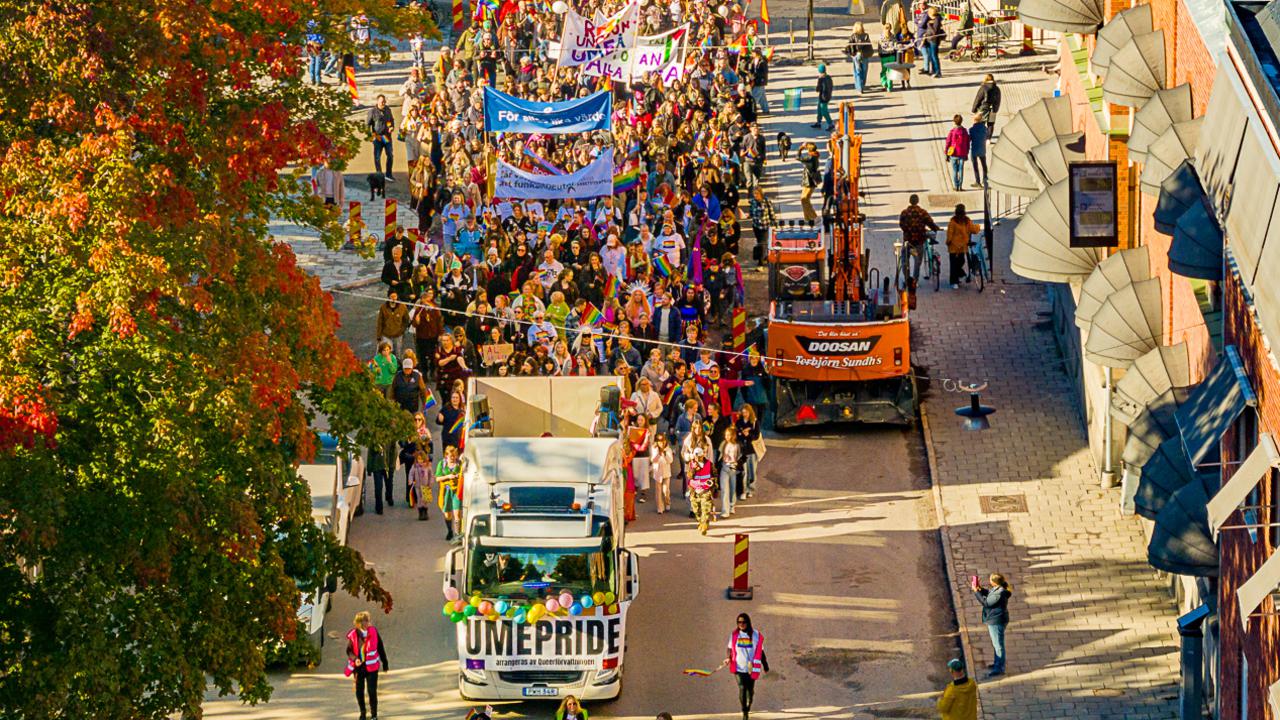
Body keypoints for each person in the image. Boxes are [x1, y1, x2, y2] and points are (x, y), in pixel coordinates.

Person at [720, 612, 768, 720]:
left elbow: (761, 652)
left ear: (748, 622)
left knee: (750, 691)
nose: (741, 624)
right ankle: (744, 711)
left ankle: (749, 703)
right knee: (742, 688)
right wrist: (728, 658)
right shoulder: (734, 635)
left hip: (751, 668)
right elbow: (730, 648)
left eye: (743, 622)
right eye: (739, 622)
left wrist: (765, 666)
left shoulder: (756, 635)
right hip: (738, 667)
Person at [344, 611, 388, 720]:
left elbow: (380, 647)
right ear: (359, 623)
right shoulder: (353, 634)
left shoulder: (373, 631)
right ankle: (362, 713)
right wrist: (355, 659)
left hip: (372, 668)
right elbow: (349, 651)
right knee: (359, 691)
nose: (368, 622)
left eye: (368, 620)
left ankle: (374, 715)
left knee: (372, 691)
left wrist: (385, 662)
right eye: (365, 620)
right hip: (359, 669)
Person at [971, 573, 1012, 677]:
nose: (989, 581)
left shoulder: (999, 593)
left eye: (990, 580)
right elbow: (989, 593)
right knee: (996, 643)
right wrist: (980, 589)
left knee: (998, 645)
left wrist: (976, 592)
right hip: (997, 619)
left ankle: (999, 668)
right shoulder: (999, 588)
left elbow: (986, 603)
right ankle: (997, 663)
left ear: (994, 582)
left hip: (996, 621)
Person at [899, 194, 940, 285]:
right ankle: (914, 280)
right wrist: (936, 228)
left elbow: (901, 225)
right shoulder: (922, 212)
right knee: (917, 262)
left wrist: (908, 230)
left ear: (910, 201)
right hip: (918, 242)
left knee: (905, 261)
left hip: (908, 242)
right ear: (917, 201)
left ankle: (907, 279)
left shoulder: (904, 213)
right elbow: (930, 223)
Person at [945, 204, 981, 289]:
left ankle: (955, 280)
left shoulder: (952, 222)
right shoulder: (966, 221)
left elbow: (949, 234)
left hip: (954, 247)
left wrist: (948, 242)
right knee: (960, 262)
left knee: (954, 264)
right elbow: (974, 229)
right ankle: (956, 279)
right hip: (961, 247)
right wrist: (978, 226)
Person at [436, 444, 465, 543]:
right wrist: (448, 476)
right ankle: (450, 531)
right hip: (446, 492)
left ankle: (457, 535)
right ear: (446, 456)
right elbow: (437, 478)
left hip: (457, 491)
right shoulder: (442, 464)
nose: (452, 458)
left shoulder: (459, 464)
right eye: (450, 456)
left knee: (457, 513)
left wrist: (459, 476)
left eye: (454, 455)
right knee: (448, 514)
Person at [367, 94, 395, 181]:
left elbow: (390, 120)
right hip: (378, 137)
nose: (383, 103)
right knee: (377, 157)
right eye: (381, 101)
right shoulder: (372, 111)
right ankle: (379, 174)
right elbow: (367, 124)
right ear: (377, 101)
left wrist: (391, 127)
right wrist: (371, 136)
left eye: (384, 101)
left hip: (386, 137)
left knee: (390, 155)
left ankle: (388, 174)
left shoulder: (387, 110)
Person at [688, 446, 715, 534]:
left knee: (706, 509)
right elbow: (689, 477)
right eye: (696, 457)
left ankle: (704, 526)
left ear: (703, 455)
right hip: (695, 491)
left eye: (699, 456)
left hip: (706, 490)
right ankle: (701, 522)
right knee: (696, 510)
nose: (697, 458)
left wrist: (713, 482)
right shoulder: (692, 464)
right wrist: (693, 469)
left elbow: (715, 475)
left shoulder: (709, 464)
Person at [845, 22, 874, 94]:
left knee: (857, 71)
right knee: (864, 71)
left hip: (856, 55)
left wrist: (852, 54)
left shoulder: (852, 36)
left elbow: (850, 46)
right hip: (864, 55)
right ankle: (862, 84)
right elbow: (869, 46)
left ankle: (859, 87)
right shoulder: (866, 36)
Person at [719, 426, 741, 518]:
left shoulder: (737, 446)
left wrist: (737, 464)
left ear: (733, 436)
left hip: (733, 467)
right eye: (726, 435)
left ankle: (732, 505)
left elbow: (740, 457)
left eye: (728, 435)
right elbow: (719, 454)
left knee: (732, 488)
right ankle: (725, 510)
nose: (726, 437)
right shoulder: (723, 444)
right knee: (724, 489)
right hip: (724, 467)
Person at [944, 115, 970, 191]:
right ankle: (960, 186)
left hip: (954, 153)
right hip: (962, 153)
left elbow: (948, 142)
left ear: (954, 122)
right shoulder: (964, 131)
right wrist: (967, 152)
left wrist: (946, 153)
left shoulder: (952, 132)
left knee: (955, 170)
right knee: (961, 170)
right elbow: (967, 142)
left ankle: (956, 186)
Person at [650, 431, 675, 514]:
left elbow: (670, 460)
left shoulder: (668, 449)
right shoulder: (654, 449)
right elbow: (653, 459)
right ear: (656, 442)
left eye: (663, 440)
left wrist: (664, 454)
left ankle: (667, 502)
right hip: (657, 473)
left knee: (666, 490)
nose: (661, 443)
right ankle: (660, 507)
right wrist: (658, 454)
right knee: (658, 491)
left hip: (666, 473)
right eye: (659, 441)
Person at [798, 143, 821, 223]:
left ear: (808, 149)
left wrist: (800, 149)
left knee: (804, 199)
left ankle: (814, 217)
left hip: (809, 181)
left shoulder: (810, 157)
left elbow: (798, 157)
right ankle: (807, 218)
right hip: (809, 181)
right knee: (803, 199)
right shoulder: (815, 156)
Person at [922, 6, 944, 78]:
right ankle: (933, 71)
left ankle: (938, 72)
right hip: (929, 39)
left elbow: (934, 31)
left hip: (934, 40)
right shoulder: (932, 19)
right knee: (931, 56)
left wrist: (929, 25)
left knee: (934, 56)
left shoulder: (937, 20)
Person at [968, 113, 989, 188]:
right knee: (984, 165)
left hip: (974, 149)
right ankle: (985, 179)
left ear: (974, 120)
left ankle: (978, 181)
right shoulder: (984, 128)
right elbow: (987, 136)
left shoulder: (971, 130)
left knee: (975, 166)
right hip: (982, 149)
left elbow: (969, 139)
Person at [811, 65, 834, 131]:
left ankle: (830, 124)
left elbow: (818, 89)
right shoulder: (829, 77)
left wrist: (817, 87)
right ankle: (819, 122)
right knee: (819, 109)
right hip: (828, 96)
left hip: (823, 97)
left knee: (824, 111)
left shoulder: (821, 79)